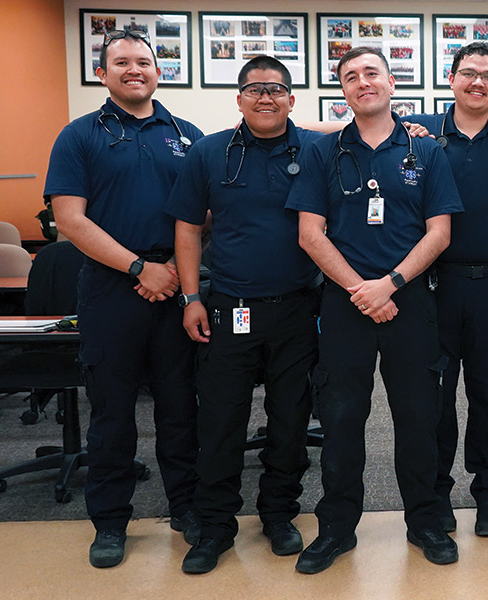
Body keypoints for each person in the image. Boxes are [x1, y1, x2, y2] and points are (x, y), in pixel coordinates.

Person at [286, 47, 464, 574]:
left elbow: (440, 232)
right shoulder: (324, 152)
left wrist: (389, 285)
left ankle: (425, 521)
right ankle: (336, 529)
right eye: (351, 77)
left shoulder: (425, 150)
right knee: (341, 419)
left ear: (391, 83)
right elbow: (310, 233)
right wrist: (361, 290)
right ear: (343, 90)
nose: (363, 82)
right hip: (345, 305)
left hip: (410, 300)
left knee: (418, 417)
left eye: (372, 73)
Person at [43, 29, 203, 568]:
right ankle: (110, 521)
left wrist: (174, 271)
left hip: (176, 283)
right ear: (102, 74)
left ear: (159, 70)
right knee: (112, 412)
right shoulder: (79, 135)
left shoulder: (186, 134)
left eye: (144, 61)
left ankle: (187, 507)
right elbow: (69, 220)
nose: (135, 69)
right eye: (122, 62)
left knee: (181, 407)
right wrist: (139, 268)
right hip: (113, 288)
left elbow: (204, 214)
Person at [165, 56, 323, 574]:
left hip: (297, 309)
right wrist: (191, 298)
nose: (265, 97)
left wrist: (416, 127)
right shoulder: (209, 152)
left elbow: (363, 131)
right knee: (221, 420)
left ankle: (279, 514)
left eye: (276, 89)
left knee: (290, 419)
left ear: (291, 100)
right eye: (254, 89)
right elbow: (188, 228)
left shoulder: (316, 150)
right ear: (238, 99)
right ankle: (215, 526)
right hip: (229, 309)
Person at [405, 41, 488, 536]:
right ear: (451, 79)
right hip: (435, 287)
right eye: (468, 73)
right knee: (435, 400)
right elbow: (352, 131)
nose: (477, 82)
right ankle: (438, 493)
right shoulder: (419, 130)